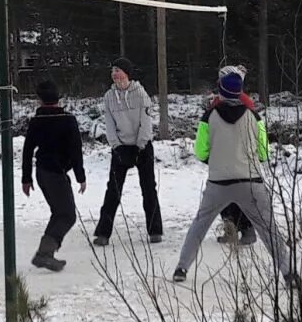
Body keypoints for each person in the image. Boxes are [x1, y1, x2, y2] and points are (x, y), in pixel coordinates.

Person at [173, 67, 290, 284]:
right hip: (251, 181)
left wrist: (216, 159)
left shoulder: (208, 116)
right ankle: (288, 272)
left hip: (218, 182)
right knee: (268, 228)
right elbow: (264, 153)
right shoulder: (255, 117)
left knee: (200, 224)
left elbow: (200, 152)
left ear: (220, 90)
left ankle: (181, 268)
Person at [93, 58, 164, 246]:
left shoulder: (140, 94)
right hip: (121, 147)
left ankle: (155, 229)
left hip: (142, 146)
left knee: (148, 188)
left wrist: (140, 146)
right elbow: (109, 124)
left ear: (127, 73)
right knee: (113, 190)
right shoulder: (109, 97)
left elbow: (146, 122)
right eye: (113, 70)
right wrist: (116, 146)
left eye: (118, 70)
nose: (115, 74)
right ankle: (103, 232)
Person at [22, 81, 87, 272]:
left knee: (59, 213)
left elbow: (27, 151)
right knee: (67, 215)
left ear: (39, 100)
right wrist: (80, 176)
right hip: (56, 174)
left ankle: (46, 253)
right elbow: (76, 151)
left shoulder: (37, 121)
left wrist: (26, 178)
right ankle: (44, 254)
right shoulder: (68, 120)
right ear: (59, 99)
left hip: (42, 172)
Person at [207, 65, 256, 246]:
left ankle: (246, 228)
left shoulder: (243, 102)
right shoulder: (220, 101)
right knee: (224, 198)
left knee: (235, 197)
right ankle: (231, 229)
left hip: (236, 158)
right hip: (225, 158)